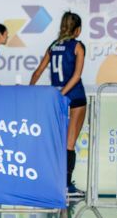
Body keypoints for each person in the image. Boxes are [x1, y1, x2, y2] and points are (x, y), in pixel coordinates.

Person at [30, 11, 87, 198]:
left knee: (55, 142)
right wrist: (64, 93)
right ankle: (66, 186)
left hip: (56, 98)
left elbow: (37, 72)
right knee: (69, 143)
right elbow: (76, 75)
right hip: (75, 97)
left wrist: (31, 92)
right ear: (77, 30)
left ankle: (53, 182)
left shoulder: (53, 46)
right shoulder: (77, 46)